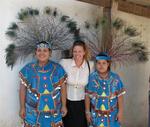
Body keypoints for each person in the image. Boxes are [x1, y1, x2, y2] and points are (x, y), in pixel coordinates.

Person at [19, 41, 67, 127]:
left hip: (54, 111)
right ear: (35, 53)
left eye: (45, 50)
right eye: (39, 50)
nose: (42, 53)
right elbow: (22, 89)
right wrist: (22, 107)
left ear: (50, 53)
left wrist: (64, 106)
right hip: (32, 112)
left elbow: (63, 89)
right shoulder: (27, 69)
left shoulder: (58, 69)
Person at [85, 52, 126, 127]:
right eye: (99, 63)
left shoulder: (115, 78)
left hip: (112, 116)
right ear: (96, 64)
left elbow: (120, 96)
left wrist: (120, 112)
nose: (101, 66)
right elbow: (87, 96)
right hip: (96, 116)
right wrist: (87, 112)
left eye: (104, 63)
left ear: (108, 64)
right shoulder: (92, 77)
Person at [60, 40, 94, 127]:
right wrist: (62, 105)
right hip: (66, 102)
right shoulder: (64, 63)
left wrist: (88, 111)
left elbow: (90, 88)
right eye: (75, 51)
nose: (77, 54)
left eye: (79, 51)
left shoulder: (91, 65)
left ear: (84, 52)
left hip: (83, 104)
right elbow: (59, 83)